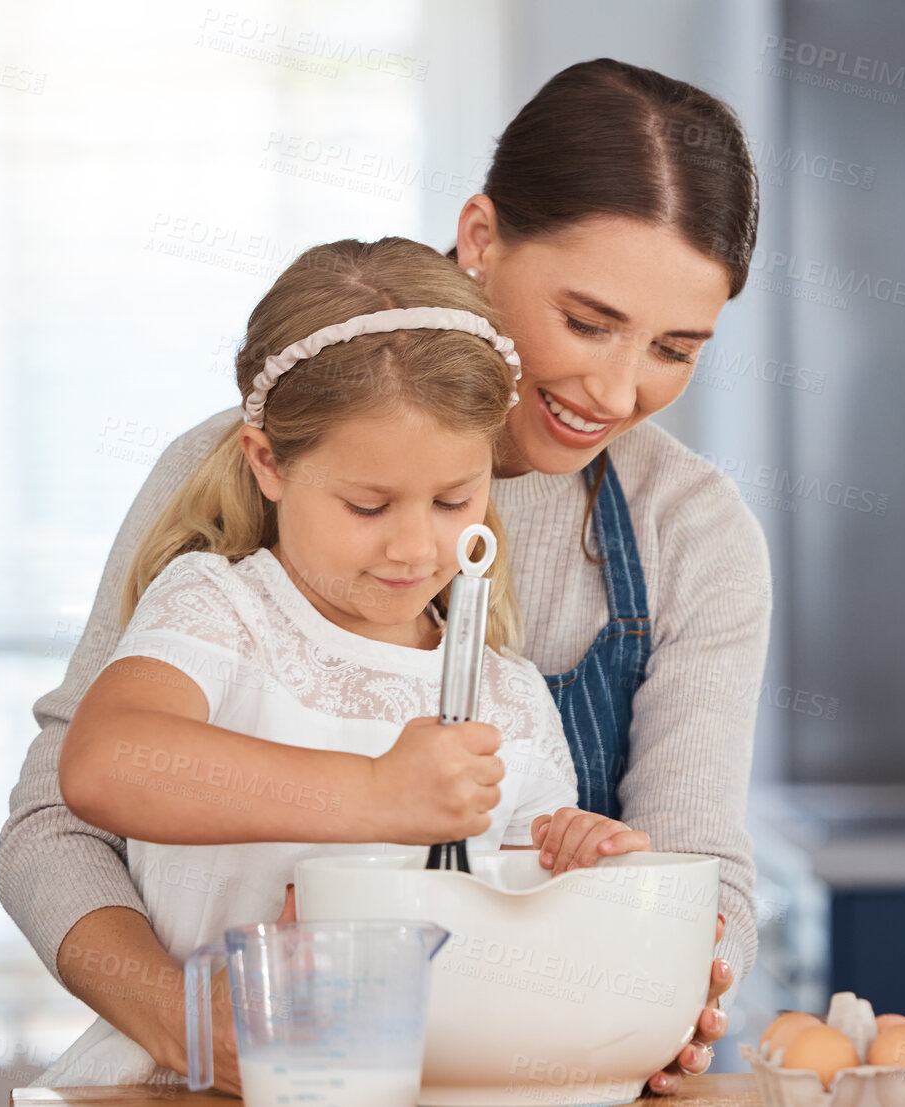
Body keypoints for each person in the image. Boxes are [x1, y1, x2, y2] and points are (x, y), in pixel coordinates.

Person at [0, 57, 767, 1096]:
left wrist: (670, 971)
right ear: (483, 239)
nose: (617, 389)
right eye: (586, 322)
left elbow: (689, 870)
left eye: (676, 348)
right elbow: (64, 812)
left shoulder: (689, 538)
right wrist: (188, 1023)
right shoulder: (239, 474)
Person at [36, 236, 650, 1086]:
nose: (413, 544)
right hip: (184, 1086)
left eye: (452, 499)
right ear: (269, 463)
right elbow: (104, 764)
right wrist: (371, 794)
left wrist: (573, 863)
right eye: (368, 504)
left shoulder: (506, 699)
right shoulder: (220, 608)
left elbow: (513, 931)